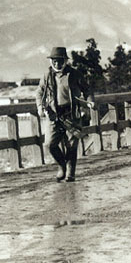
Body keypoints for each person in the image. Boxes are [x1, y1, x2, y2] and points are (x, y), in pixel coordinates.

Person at [36, 47, 95, 182]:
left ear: (65, 61)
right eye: (54, 61)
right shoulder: (47, 76)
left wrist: (90, 102)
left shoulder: (74, 74)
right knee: (50, 144)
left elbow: (87, 90)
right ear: (51, 61)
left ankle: (70, 173)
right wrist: (40, 107)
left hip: (71, 114)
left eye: (60, 61)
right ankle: (61, 165)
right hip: (54, 115)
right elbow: (39, 92)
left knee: (71, 145)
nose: (57, 64)